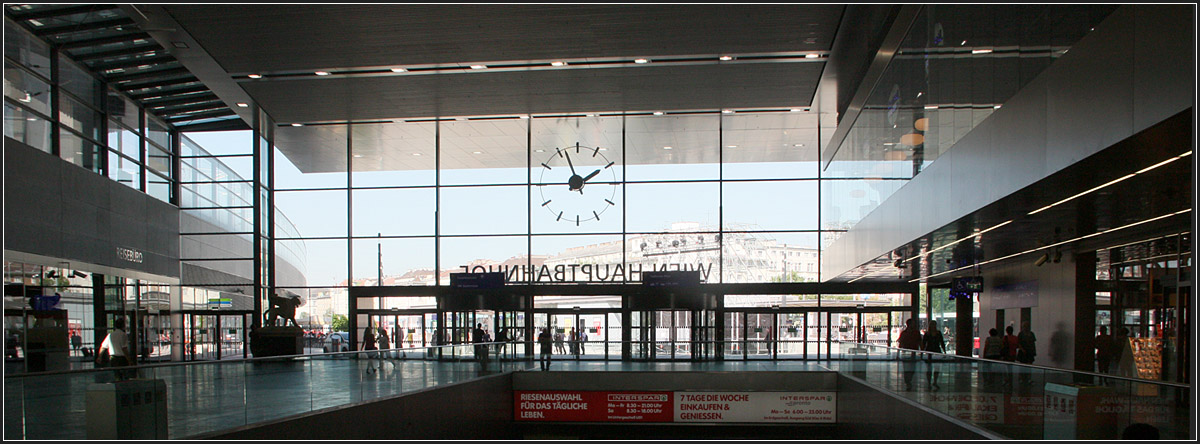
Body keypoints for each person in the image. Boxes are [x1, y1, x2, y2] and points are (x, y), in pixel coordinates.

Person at [897, 318, 922, 390]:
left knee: (912, 369)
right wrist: (898, 353)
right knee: (906, 369)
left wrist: (921, 352)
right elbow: (900, 343)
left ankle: (909, 380)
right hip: (906, 353)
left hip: (913, 353)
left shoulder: (916, 333)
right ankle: (907, 382)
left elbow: (920, 342)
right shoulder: (904, 333)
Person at [922, 320, 945, 390]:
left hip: (937, 351)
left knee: (936, 368)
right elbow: (924, 343)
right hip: (929, 352)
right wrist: (922, 352)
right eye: (932, 325)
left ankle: (935, 381)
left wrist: (944, 351)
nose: (933, 326)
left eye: (934, 325)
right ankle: (929, 382)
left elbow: (942, 342)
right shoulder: (927, 334)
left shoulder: (938, 333)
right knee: (929, 369)